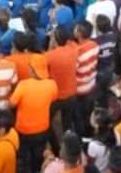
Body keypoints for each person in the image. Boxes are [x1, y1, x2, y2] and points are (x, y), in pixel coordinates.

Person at [9, 53, 57, 173]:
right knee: (38, 155)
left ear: (32, 70)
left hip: (23, 129)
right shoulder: (52, 84)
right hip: (42, 128)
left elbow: (12, 104)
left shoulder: (23, 85)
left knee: (22, 154)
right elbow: (53, 99)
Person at [45, 26, 78, 154]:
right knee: (67, 122)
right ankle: (68, 145)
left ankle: (55, 147)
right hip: (72, 93)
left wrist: (50, 44)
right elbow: (72, 43)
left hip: (57, 97)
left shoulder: (50, 56)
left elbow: (44, 61)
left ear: (55, 39)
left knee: (47, 120)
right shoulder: (73, 49)